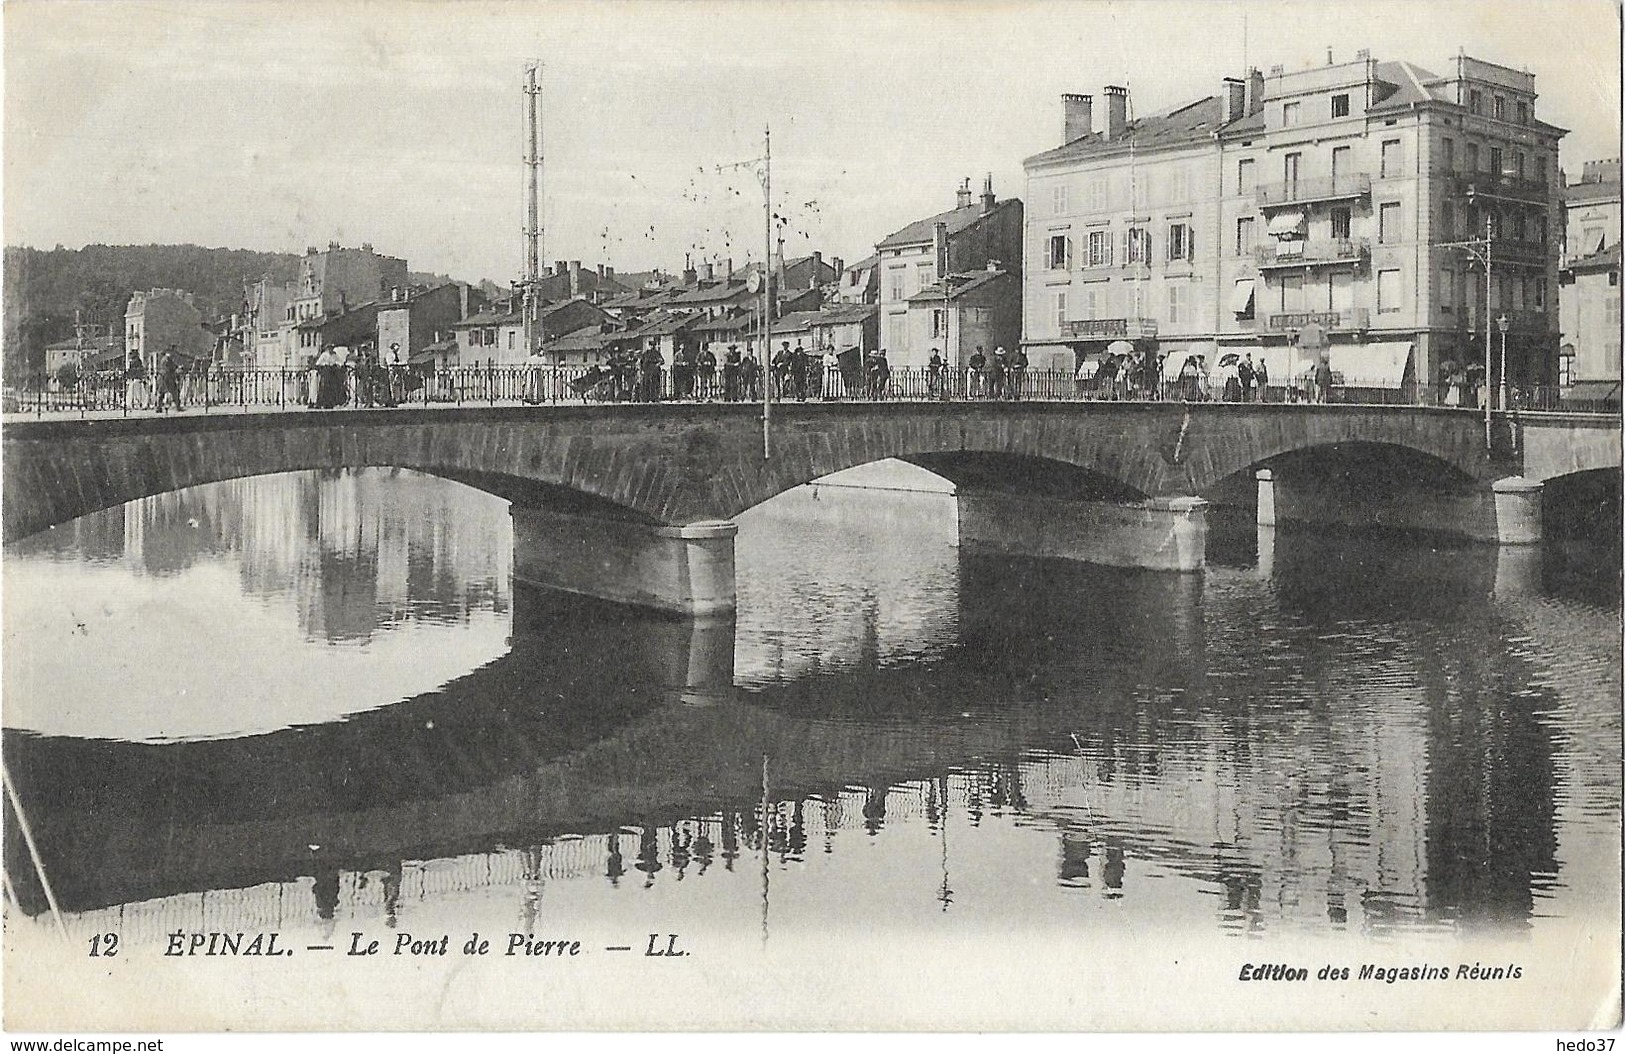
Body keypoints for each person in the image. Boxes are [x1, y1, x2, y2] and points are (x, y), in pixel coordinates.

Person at [155, 348, 182, 413]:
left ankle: (159, 407)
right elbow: (171, 367)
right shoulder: (167, 359)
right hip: (167, 378)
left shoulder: (163, 359)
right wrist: (178, 368)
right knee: (174, 392)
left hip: (162, 377)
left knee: (161, 393)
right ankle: (177, 407)